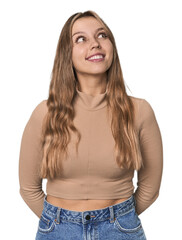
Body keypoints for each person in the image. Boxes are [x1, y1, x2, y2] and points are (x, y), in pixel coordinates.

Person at [18, 10, 163, 240]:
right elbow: (28, 188)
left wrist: (118, 218)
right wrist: (59, 222)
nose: (95, 44)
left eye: (102, 35)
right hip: (58, 231)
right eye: (81, 39)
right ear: (68, 53)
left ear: (111, 46)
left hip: (121, 230)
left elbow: (150, 188)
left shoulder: (139, 111)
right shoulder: (45, 113)